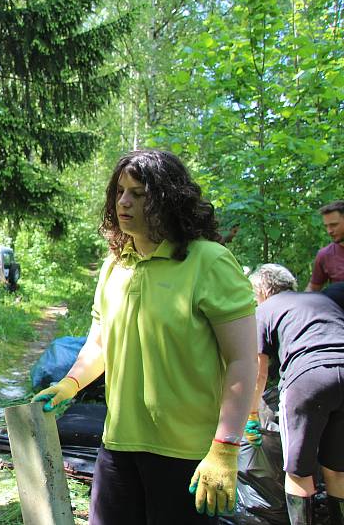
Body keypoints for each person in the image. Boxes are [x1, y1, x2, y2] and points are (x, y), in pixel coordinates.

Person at [33, 150, 257, 523]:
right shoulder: (114, 265)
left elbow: (243, 360)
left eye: (138, 193)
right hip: (117, 445)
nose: (123, 201)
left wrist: (225, 445)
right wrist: (69, 385)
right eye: (120, 191)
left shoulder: (210, 261)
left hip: (187, 455)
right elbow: (100, 343)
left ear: (169, 198)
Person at [247, 264, 344, 525]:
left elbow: (258, 372)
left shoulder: (264, 309)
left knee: (298, 472)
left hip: (307, 380)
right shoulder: (319, 300)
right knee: (337, 470)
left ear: (262, 291)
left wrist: (252, 414)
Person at [306, 200, 344, 291]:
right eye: (326, 226)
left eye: (334, 225)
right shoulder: (325, 255)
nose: (329, 231)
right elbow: (313, 288)